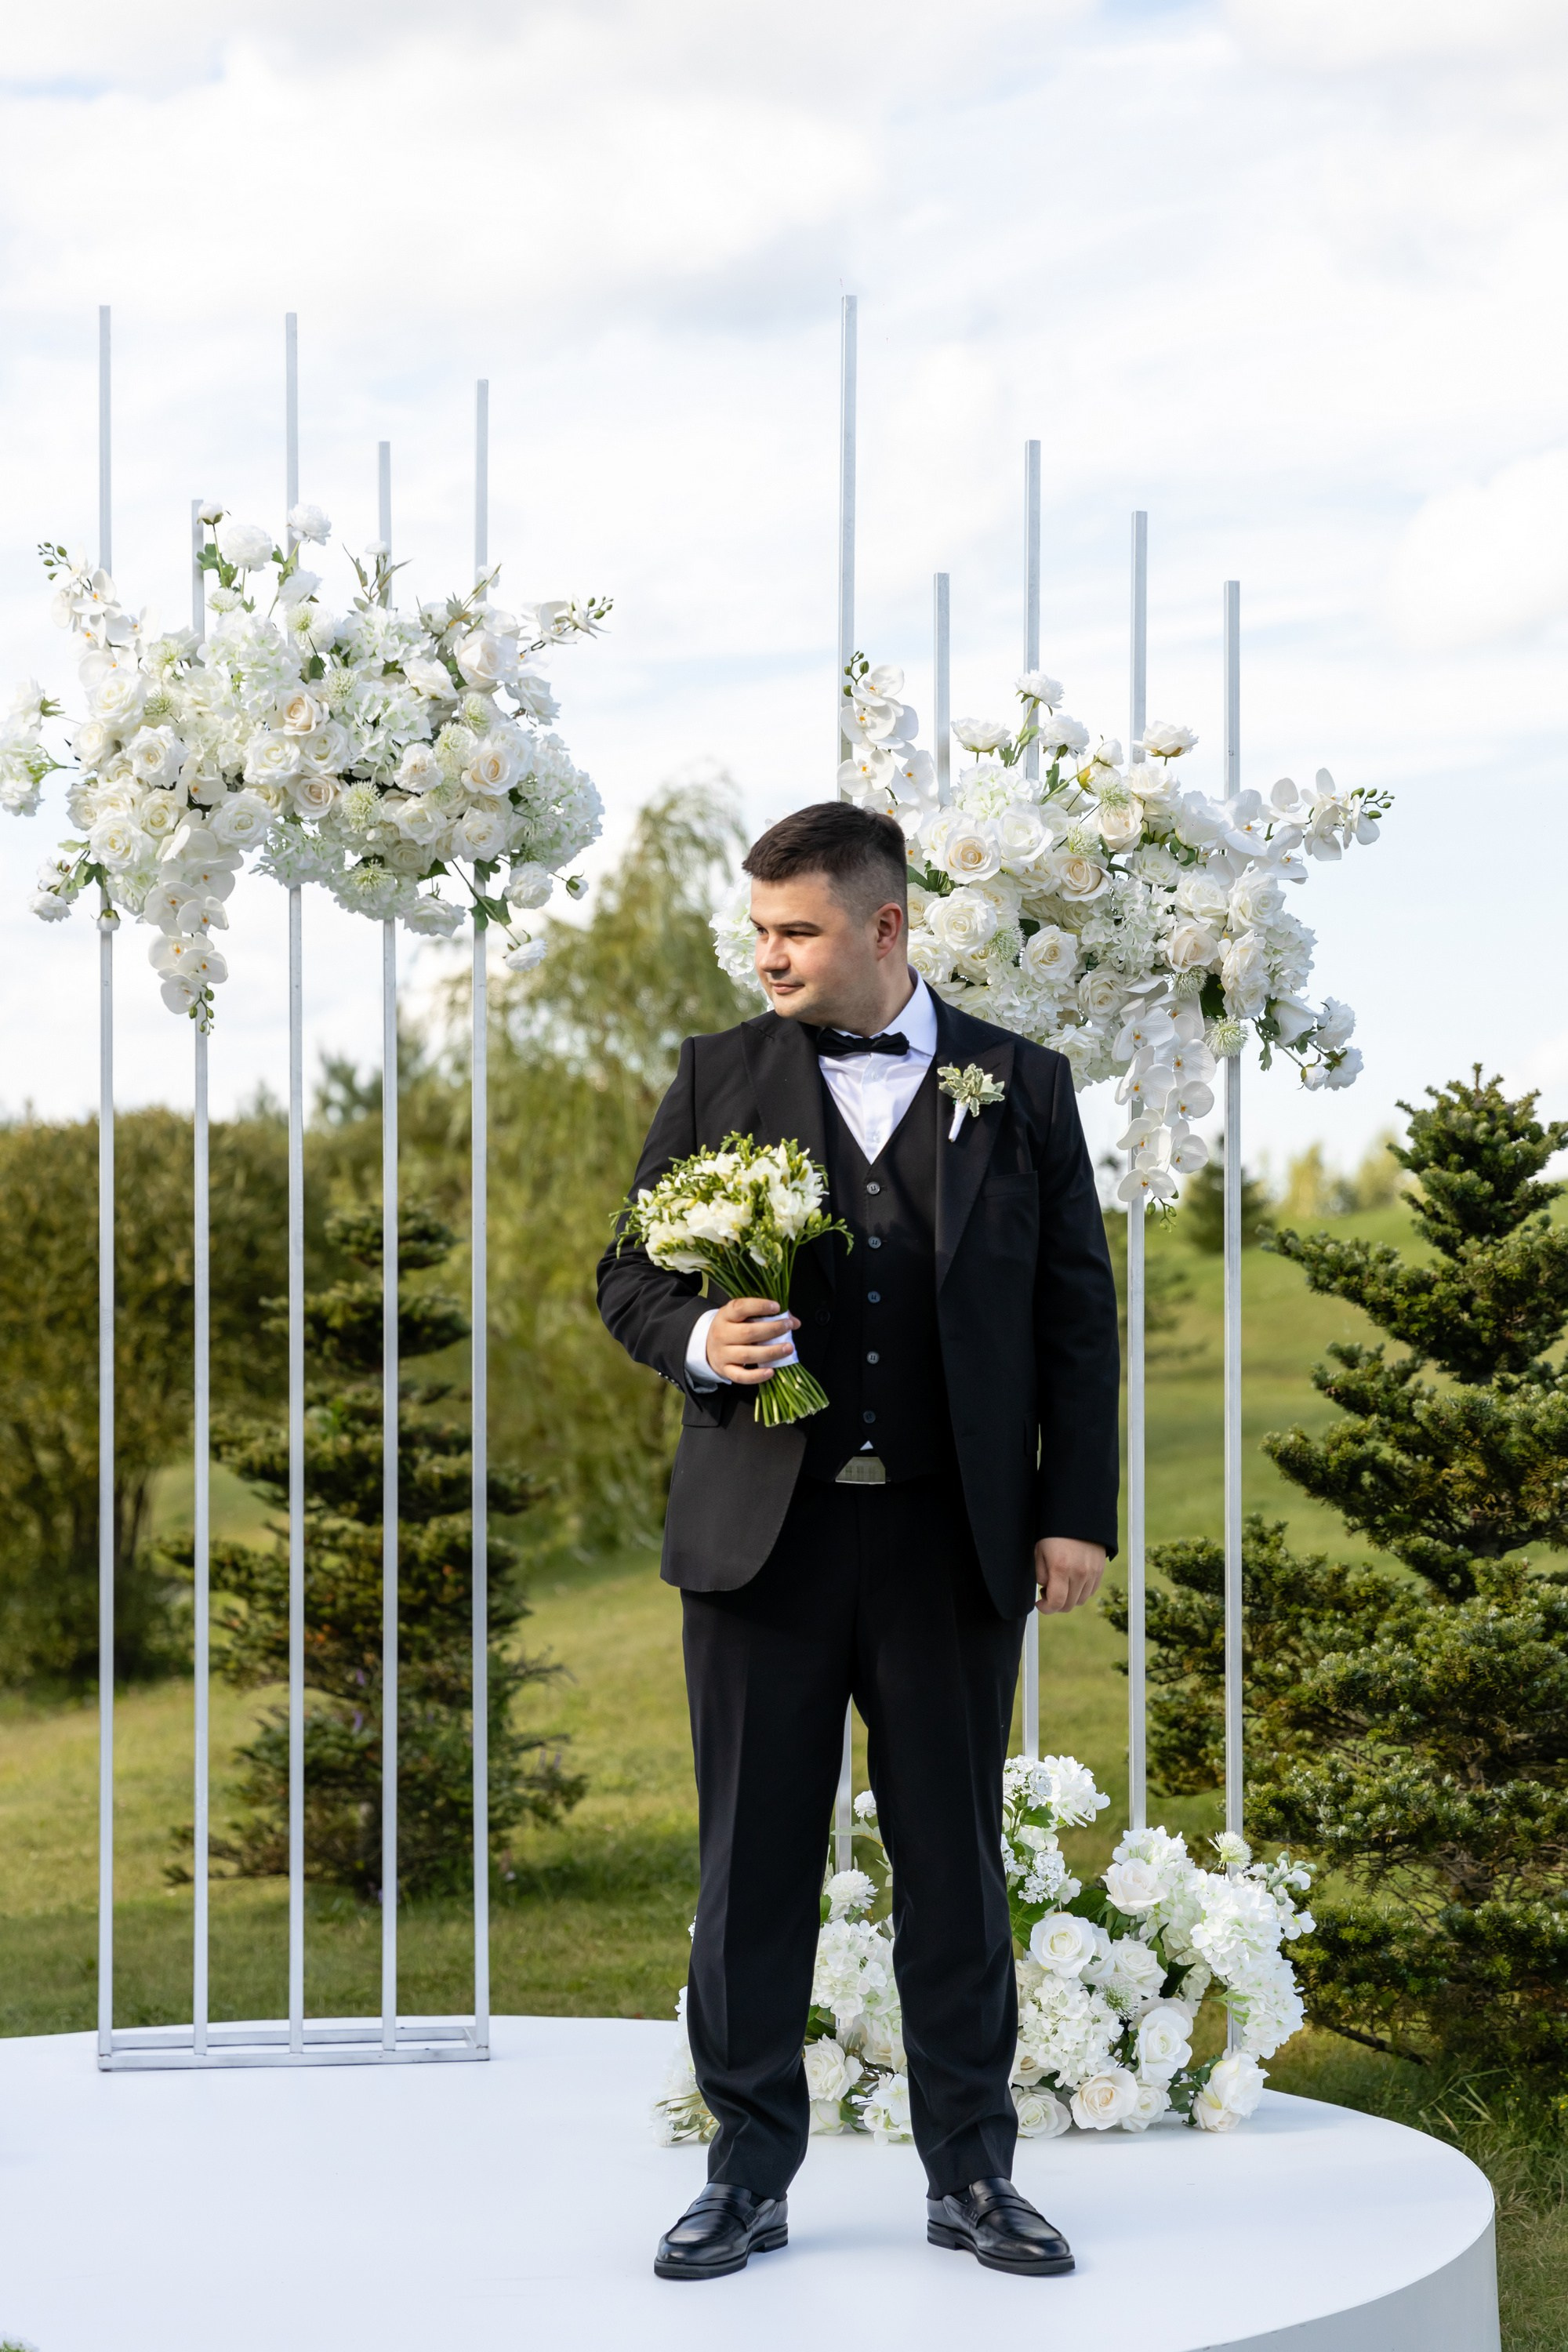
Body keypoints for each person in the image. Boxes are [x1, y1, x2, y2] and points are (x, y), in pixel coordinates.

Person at [597, 801, 1120, 2282]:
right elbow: (629, 1273)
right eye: (758, 931)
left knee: (954, 1867)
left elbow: (1075, 1313)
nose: (766, 958)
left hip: (955, 1544)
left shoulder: (1021, 1084)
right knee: (750, 1869)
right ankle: (745, 2179)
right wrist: (699, 1336)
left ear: (885, 928)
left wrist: (1074, 1510)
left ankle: (975, 2179)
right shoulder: (718, 1075)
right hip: (762, 1546)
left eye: (796, 932)